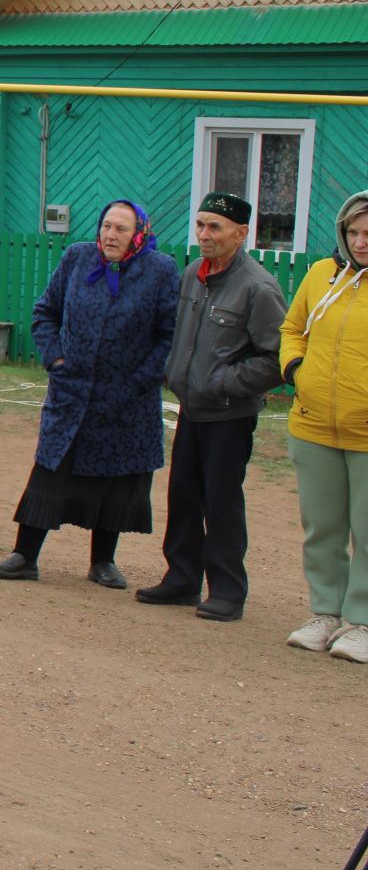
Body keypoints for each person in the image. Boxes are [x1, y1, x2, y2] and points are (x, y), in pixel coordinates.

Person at [0, 200, 178, 587]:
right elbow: (45, 312)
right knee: (50, 471)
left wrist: (141, 380)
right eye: (106, 225)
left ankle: (102, 562)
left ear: (138, 233)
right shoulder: (77, 258)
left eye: (121, 229)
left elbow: (169, 334)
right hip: (72, 391)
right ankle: (24, 555)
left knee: (116, 477)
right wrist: (55, 361)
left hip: (127, 399)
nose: (110, 235)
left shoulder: (160, 270)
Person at [135, 192, 286, 622]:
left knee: (221, 502)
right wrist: (175, 371)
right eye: (200, 224)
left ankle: (227, 590)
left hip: (229, 413)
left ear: (240, 234)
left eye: (214, 227)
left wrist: (222, 382)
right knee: (183, 495)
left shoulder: (258, 287)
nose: (204, 234)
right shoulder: (192, 276)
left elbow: (277, 357)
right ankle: (182, 578)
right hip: (191, 407)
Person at [281, 189, 368, 661]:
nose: (360, 242)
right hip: (314, 426)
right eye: (353, 232)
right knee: (322, 527)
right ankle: (326, 614)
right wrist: (296, 370)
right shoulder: (321, 275)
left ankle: (363, 621)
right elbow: (292, 328)